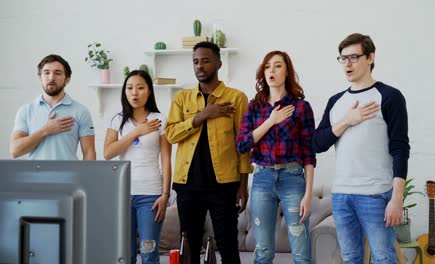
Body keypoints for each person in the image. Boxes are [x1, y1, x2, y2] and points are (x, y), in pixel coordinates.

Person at [313, 33, 410, 263]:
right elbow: (317, 143)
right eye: (343, 58)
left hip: (376, 195)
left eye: (354, 57)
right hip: (341, 196)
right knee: (350, 258)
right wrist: (347, 120)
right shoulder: (336, 101)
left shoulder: (389, 96)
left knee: (384, 258)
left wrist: (396, 198)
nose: (347, 63)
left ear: (370, 58)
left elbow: (400, 148)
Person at [165, 41, 252, 264]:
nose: (199, 66)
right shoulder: (182, 98)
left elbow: (243, 145)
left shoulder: (236, 98)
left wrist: (243, 185)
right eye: (195, 61)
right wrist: (201, 115)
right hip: (187, 185)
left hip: (223, 185)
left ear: (218, 64)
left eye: (205, 60)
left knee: (228, 245)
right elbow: (171, 135)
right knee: (190, 246)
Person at [236, 51, 316, 264]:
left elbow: (309, 154)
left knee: (301, 251)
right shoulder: (255, 106)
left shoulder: (301, 107)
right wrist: (271, 121)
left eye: (278, 65)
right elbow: (242, 144)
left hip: (293, 178)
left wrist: (308, 195)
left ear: (287, 71)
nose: (272, 70)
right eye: (268, 66)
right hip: (262, 179)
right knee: (262, 251)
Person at [104, 70, 172, 264]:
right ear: (124, 92)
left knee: (149, 252)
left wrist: (165, 195)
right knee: (125, 255)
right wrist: (136, 132)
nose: (134, 93)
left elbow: (166, 159)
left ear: (149, 91)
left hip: (151, 194)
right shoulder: (118, 120)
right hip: (122, 193)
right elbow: (108, 153)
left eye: (140, 88)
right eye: (130, 88)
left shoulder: (159, 119)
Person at [9, 54, 96, 160]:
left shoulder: (81, 111)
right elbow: (15, 151)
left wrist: (89, 176)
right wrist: (45, 131)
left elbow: (89, 152)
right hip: (35, 176)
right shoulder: (26, 111)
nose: (51, 77)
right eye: (46, 73)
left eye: (57, 73)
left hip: (69, 176)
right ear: (40, 77)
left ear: (67, 79)